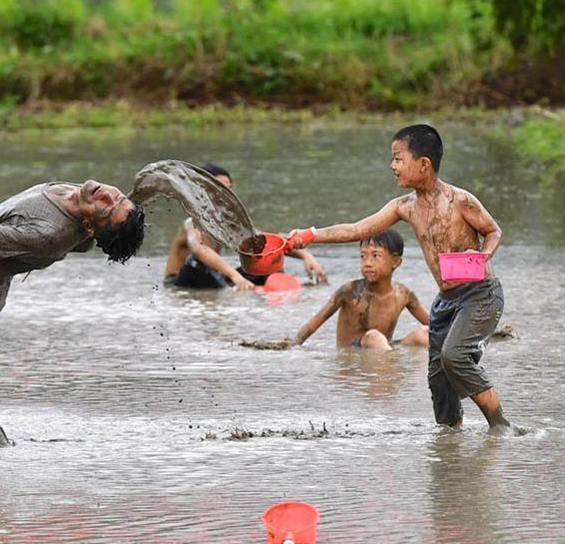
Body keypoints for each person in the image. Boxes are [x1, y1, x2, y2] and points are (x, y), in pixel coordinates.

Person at [287, 124, 512, 433]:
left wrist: (483, 257)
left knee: (454, 357)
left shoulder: (460, 201)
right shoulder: (404, 207)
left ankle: (501, 427)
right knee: (438, 377)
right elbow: (357, 229)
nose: (392, 166)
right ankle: (451, 437)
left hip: (480, 294)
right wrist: (310, 235)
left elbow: (493, 231)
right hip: (447, 300)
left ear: (424, 165)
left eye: (398, 158)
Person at [0, 180, 145, 447]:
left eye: (107, 206)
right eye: (117, 196)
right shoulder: (82, 197)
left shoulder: (50, 234)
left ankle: (0, 454)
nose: (107, 195)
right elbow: (89, 239)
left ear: (88, 227)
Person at [163, 164, 327, 290]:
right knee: (196, 263)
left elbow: (266, 241)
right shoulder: (192, 222)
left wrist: (307, 257)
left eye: (228, 188)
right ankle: (237, 288)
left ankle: (286, 287)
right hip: (181, 282)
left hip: (213, 278)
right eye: (219, 187)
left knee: (265, 260)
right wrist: (236, 277)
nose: (225, 193)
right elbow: (200, 251)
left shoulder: (228, 221)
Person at [291, 229, 429, 350]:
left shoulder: (403, 294)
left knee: (425, 333)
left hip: (384, 349)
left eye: (375, 256)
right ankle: (391, 368)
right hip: (354, 351)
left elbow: (435, 325)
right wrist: (292, 344)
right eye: (363, 256)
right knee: (373, 337)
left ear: (396, 262)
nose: (367, 263)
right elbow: (316, 321)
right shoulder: (349, 291)